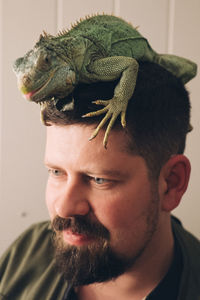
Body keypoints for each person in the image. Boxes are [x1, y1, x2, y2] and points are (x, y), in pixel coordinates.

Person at [0, 62, 200, 300]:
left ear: (171, 184)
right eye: (56, 172)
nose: (63, 208)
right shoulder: (27, 252)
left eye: (99, 179)